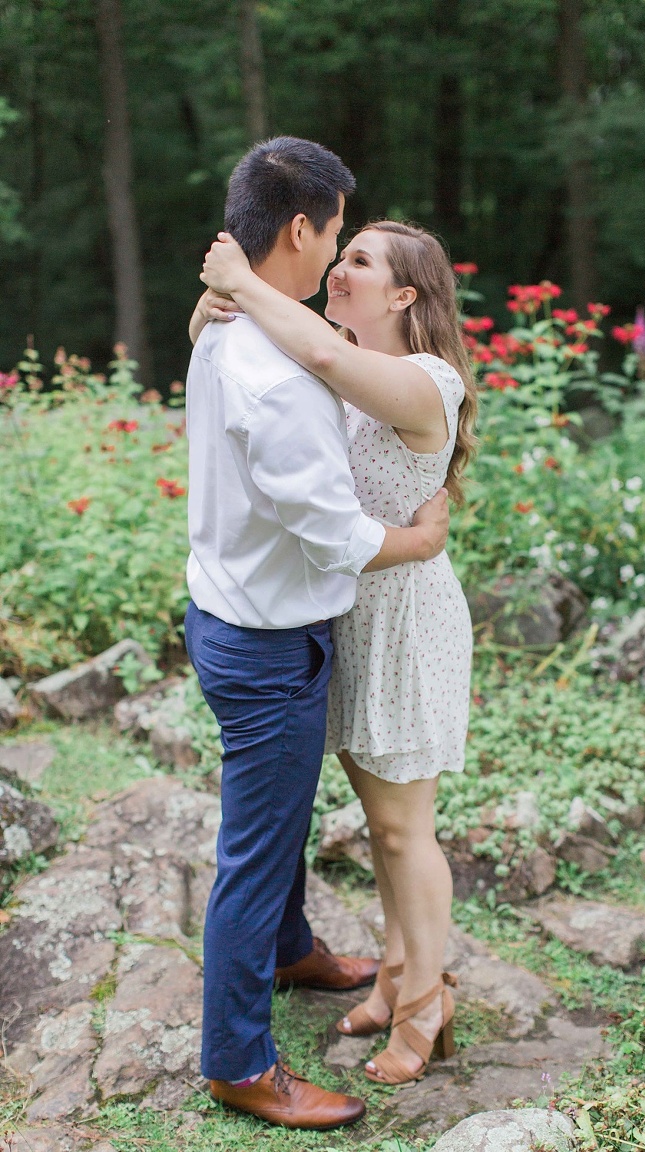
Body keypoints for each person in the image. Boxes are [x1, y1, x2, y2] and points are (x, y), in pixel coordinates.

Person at [184, 136, 450, 1130]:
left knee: (281, 819)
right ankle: (239, 1061)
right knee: (256, 849)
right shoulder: (279, 373)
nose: (339, 254)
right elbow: (335, 534)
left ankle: (293, 949)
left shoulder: (235, 323)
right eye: (337, 232)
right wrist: (418, 542)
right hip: (265, 640)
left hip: (230, 611)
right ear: (302, 228)